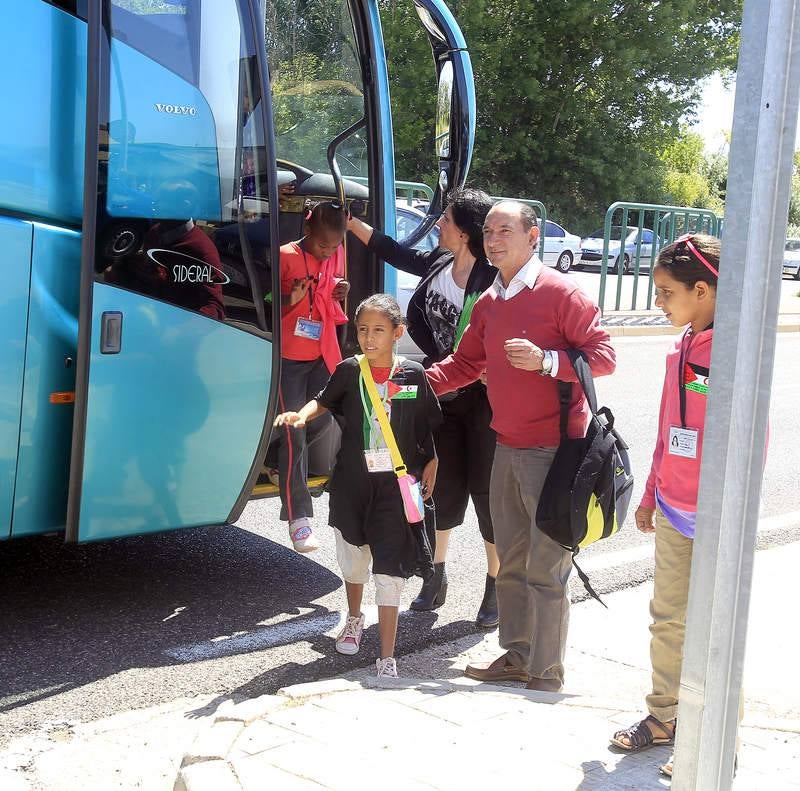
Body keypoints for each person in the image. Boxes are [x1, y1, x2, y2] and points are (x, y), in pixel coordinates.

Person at [425, 201, 616, 692]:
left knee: (545, 566)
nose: (493, 239)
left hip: (556, 450)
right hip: (506, 445)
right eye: (488, 230)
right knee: (510, 559)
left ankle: (546, 671)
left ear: (534, 237)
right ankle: (517, 654)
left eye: (504, 230)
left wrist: (547, 360)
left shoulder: (562, 293)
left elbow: (603, 357)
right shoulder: (489, 302)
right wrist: (406, 386)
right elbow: (462, 365)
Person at [609, 234, 733, 779]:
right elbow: (669, 428)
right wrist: (652, 491)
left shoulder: (732, 350)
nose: (659, 301)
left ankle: (714, 739)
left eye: (666, 292)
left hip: (718, 516)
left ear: (702, 290)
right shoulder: (681, 346)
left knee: (715, 632)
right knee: (667, 621)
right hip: (675, 510)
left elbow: (748, 438)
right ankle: (663, 717)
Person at [348, 188, 501, 627]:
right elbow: (396, 253)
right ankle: (435, 576)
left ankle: (495, 584)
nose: (438, 224)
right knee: (440, 486)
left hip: (484, 402)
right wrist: (352, 224)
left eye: (446, 219)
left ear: (467, 231)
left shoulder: (492, 279)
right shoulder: (439, 263)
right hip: (443, 394)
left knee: (487, 494)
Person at [274, 293, 442, 677]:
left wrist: (433, 460)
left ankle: (387, 656)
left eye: (379, 331)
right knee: (352, 556)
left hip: (395, 488)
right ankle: (353, 618)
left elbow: (426, 424)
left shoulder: (412, 375)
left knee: (390, 569)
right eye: (363, 329)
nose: (368, 338)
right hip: (352, 482)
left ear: (398, 333)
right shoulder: (350, 370)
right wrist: (300, 416)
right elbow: (323, 399)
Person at [277, 201, 350, 552]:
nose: (328, 252)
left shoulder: (334, 257)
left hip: (321, 353)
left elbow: (332, 296)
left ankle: (284, 465)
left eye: (335, 247)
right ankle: (299, 519)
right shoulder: (285, 255)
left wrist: (341, 291)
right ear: (307, 232)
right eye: (323, 245)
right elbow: (262, 301)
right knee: (295, 431)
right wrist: (288, 299)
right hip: (288, 359)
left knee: (327, 419)